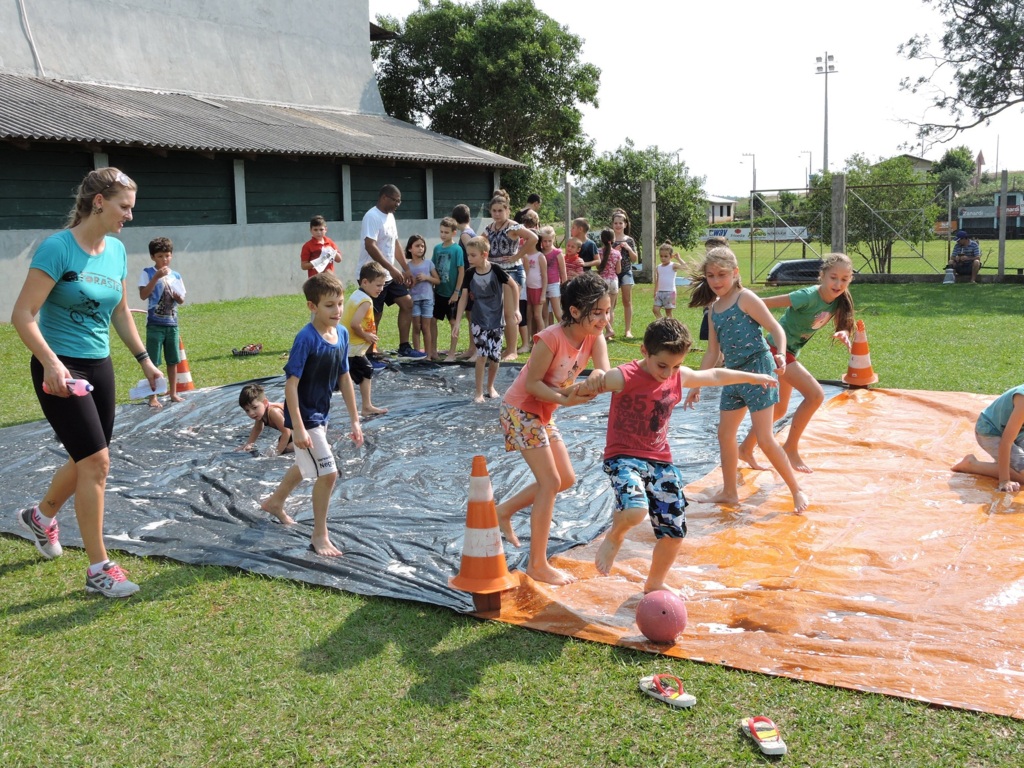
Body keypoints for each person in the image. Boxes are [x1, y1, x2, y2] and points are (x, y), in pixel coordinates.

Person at [12, 167, 162, 598]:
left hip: (99, 367)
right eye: (124, 206)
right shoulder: (58, 249)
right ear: (99, 201)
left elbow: (118, 311)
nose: (129, 216)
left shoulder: (114, 250)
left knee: (87, 459)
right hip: (59, 369)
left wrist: (145, 360)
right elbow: (23, 315)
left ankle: (41, 519)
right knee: (96, 463)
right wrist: (52, 364)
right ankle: (99, 568)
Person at [584, 318, 778, 593]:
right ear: (644, 352)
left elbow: (715, 376)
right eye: (662, 365)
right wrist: (587, 381)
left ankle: (654, 584)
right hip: (623, 456)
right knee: (636, 509)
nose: (668, 373)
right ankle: (615, 536)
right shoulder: (624, 376)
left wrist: (753, 377)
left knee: (674, 532)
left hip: (660, 460)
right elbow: (588, 386)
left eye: (675, 366)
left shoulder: (677, 375)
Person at [496, 272, 611, 585]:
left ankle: (503, 511)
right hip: (520, 410)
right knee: (549, 482)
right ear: (575, 311)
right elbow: (532, 385)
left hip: (543, 412)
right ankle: (537, 564)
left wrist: (596, 378)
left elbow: (603, 368)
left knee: (566, 479)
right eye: (597, 312)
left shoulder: (594, 336)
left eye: (607, 311)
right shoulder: (550, 338)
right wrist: (566, 398)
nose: (604, 319)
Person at [685, 246, 809, 513]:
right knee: (724, 434)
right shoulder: (714, 309)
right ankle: (729, 492)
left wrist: (779, 355)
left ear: (735, 273)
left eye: (722, 274)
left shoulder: (746, 298)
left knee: (764, 438)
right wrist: (696, 384)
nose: (717, 281)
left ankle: (796, 490)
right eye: (711, 275)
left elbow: (775, 327)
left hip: (759, 370)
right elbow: (712, 352)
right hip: (733, 375)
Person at [260, 272, 363, 553]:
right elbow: (290, 386)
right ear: (312, 306)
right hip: (305, 418)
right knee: (328, 474)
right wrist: (300, 428)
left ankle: (275, 502)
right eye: (329, 305)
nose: (337, 310)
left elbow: (344, 377)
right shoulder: (305, 338)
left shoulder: (341, 334)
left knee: (306, 465)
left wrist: (355, 419)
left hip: (321, 414)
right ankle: (320, 535)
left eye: (340, 303)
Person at [737, 253, 855, 473]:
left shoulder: (839, 300)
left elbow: (844, 322)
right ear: (822, 276)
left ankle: (745, 449)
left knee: (780, 410)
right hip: (774, 350)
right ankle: (790, 448)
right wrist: (733, 307)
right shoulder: (807, 296)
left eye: (845, 279)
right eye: (833, 277)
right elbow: (762, 304)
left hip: (789, 352)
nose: (838, 284)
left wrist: (843, 332)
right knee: (815, 395)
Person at [358, 185, 423, 360]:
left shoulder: (391, 217)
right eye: (395, 200)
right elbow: (370, 246)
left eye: (399, 200)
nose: (398, 204)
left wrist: (406, 268)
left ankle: (404, 347)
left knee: (407, 303)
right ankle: (370, 353)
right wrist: (392, 268)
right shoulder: (371, 216)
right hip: (372, 276)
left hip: (389, 274)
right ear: (384, 198)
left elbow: (395, 243)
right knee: (374, 315)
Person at [454, 236, 520, 403]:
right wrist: (457, 321)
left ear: (484, 254)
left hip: (496, 321)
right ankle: (478, 391)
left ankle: (490, 386)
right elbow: (463, 297)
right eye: (467, 255)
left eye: (472, 255)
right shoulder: (469, 274)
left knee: (495, 357)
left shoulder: (496, 270)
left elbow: (513, 286)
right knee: (482, 355)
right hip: (479, 320)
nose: (469, 258)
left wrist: (517, 309)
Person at [484, 195, 537, 361]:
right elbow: (480, 243)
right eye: (494, 211)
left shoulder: (513, 226)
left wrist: (517, 255)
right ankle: (505, 348)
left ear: (507, 210)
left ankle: (513, 350)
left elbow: (533, 238)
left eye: (501, 210)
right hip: (494, 273)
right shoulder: (489, 228)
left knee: (509, 312)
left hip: (512, 271)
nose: (497, 214)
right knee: (499, 312)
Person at [138, 236, 186, 409]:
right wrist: (156, 277)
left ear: (171, 255)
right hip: (154, 324)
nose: (164, 259)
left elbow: (181, 300)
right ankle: (153, 396)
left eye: (167, 255)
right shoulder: (147, 273)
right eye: (160, 256)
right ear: (153, 257)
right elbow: (143, 295)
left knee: (173, 360)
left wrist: (177, 296)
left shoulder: (176, 276)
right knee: (153, 361)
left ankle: (173, 392)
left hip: (172, 324)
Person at [952, 384, 1024, 493]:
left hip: (1019, 433)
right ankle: (971, 465)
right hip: (991, 432)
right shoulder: (1022, 401)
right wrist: (1005, 480)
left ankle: (1002, 463)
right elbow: (1006, 441)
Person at [342, 262, 390, 417]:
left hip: (349, 347)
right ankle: (366, 407)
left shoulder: (358, 294)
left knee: (364, 371)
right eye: (378, 285)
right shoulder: (365, 301)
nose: (381, 289)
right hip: (352, 348)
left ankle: (366, 406)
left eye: (383, 285)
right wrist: (367, 336)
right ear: (365, 282)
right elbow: (354, 324)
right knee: (353, 374)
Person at [433, 216, 465, 362]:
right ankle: (433, 350)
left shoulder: (457, 249)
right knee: (432, 321)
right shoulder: (437, 248)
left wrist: (456, 292)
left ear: (453, 233)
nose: (443, 234)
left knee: (453, 322)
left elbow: (461, 271)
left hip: (452, 294)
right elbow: (433, 268)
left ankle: (452, 353)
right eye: (441, 231)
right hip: (439, 292)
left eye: (446, 232)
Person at [406, 234, 439, 359]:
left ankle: (428, 355)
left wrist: (426, 278)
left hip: (427, 299)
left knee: (426, 328)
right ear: (410, 249)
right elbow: (405, 285)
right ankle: (417, 354)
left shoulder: (429, 263)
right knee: (416, 327)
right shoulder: (408, 266)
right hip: (414, 300)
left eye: (422, 246)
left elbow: (437, 280)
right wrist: (411, 281)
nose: (420, 248)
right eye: (417, 246)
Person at [237, 383, 294, 455]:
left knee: (288, 448)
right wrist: (249, 444)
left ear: (265, 402)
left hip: (305, 427)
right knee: (279, 445)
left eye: (254, 407)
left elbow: (286, 432)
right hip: (293, 431)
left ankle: (311, 444)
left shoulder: (273, 412)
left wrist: (277, 453)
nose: (251, 413)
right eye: (247, 410)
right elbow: (257, 428)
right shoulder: (259, 414)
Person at [611, 210, 639, 339]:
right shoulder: (609, 239)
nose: (618, 225)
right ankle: (609, 330)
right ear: (612, 224)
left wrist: (628, 248)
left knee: (627, 301)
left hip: (626, 272)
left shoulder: (630, 240)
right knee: (611, 303)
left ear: (625, 224)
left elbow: (635, 259)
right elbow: (604, 257)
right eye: (615, 223)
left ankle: (628, 330)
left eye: (620, 223)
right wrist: (613, 251)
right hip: (612, 274)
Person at [522, 220, 548, 347]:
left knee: (538, 315)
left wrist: (543, 294)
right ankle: (530, 340)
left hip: (537, 288)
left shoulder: (539, 256)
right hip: (527, 288)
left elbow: (544, 275)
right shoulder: (524, 255)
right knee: (529, 315)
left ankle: (543, 340)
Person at [700, 235, 730, 345]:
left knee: (721, 337)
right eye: (707, 251)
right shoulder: (708, 268)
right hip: (710, 309)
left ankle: (721, 360)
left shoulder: (727, 269)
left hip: (722, 309)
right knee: (713, 340)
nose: (708, 255)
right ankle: (719, 360)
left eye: (710, 251)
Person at [596, 229, 621, 339]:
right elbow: (619, 270)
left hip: (602, 281)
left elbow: (598, 266)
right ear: (613, 239)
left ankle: (608, 330)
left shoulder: (599, 252)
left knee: (603, 308)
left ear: (602, 240)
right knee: (611, 309)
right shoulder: (617, 253)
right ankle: (609, 332)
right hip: (614, 281)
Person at [539, 226, 567, 325]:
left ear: (554, 239)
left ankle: (565, 331)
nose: (547, 243)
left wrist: (564, 286)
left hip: (554, 284)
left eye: (549, 241)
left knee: (558, 312)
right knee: (545, 313)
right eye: (545, 241)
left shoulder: (557, 253)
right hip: (542, 285)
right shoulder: (540, 252)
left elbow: (563, 271)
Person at [652, 242, 686, 319]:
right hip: (660, 292)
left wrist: (679, 259)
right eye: (661, 256)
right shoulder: (658, 267)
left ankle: (669, 326)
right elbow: (657, 280)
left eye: (666, 256)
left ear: (671, 256)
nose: (663, 258)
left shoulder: (673, 265)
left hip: (670, 292)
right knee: (655, 310)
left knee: (668, 313)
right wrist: (655, 291)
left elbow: (685, 267)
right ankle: (662, 323)